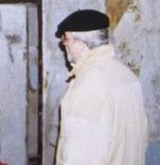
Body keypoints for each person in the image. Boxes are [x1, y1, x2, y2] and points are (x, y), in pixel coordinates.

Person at [55, 9, 148, 164]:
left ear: (80, 44)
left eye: (66, 39)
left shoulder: (89, 84)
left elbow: (80, 155)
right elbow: (141, 139)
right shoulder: (127, 75)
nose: (65, 46)